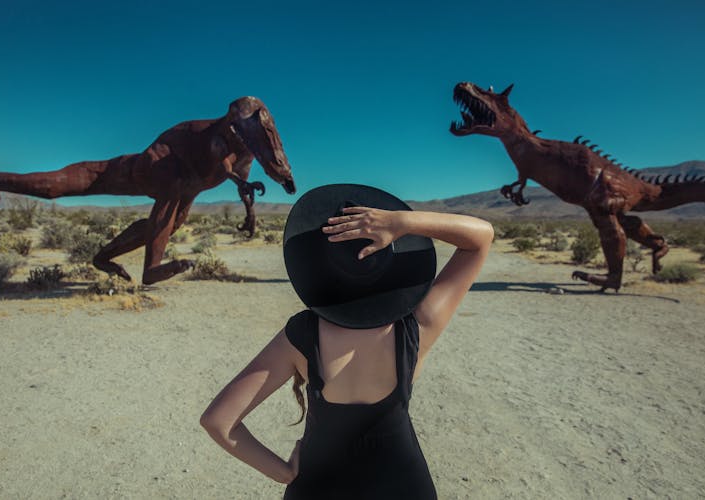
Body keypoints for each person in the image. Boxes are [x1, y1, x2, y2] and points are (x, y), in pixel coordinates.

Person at [200, 184, 493, 498]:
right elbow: (481, 237)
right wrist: (402, 222)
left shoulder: (303, 334)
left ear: (320, 266)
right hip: (404, 487)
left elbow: (218, 421)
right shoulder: (417, 326)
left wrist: (282, 472)